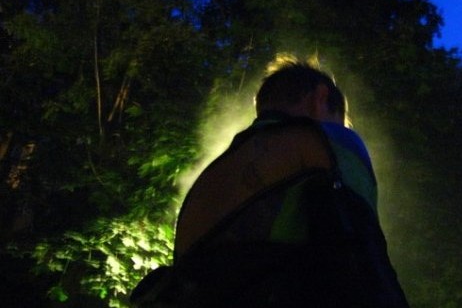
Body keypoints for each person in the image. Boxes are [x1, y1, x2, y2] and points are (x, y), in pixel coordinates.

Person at [131, 58, 409, 307]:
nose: (339, 127)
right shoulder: (329, 140)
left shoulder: (209, 179)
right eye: (337, 119)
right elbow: (364, 256)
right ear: (320, 98)